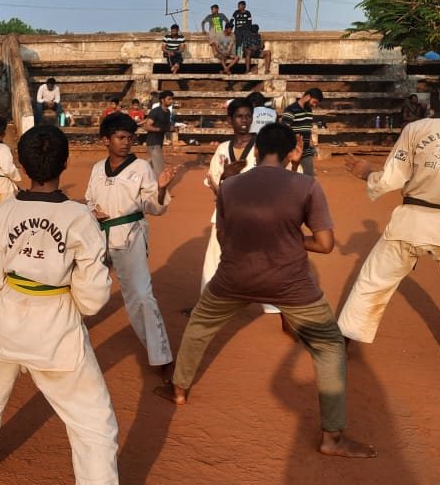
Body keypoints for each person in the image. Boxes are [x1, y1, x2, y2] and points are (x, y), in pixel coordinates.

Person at [157, 123, 378, 459]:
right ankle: (332, 437)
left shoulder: (230, 186)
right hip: (290, 282)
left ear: (257, 151)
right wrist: (291, 240)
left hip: (234, 277)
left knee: (199, 326)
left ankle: (178, 389)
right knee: (330, 346)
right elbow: (325, 244)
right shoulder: (307, 185)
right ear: (292, 152)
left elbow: (224, 237)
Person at [0, 123, 119, 484]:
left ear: (22, 165)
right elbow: (93, 299)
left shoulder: (6, 211)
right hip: (56, 330)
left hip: (8, 321)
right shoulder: (80, 218)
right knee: (94, 423)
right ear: (65, 163)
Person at [339, 65, 440, 401]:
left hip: (410, 220)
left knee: (371, 284)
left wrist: (367, 173)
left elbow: (391, 178)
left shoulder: (417, 129)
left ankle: (338, 351)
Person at [86, 113, 178, 382]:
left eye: (130, 137)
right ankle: (63, 341)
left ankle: (161, 355)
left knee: (140, 295)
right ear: (106, 140)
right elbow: (90, 199)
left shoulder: (141, 168)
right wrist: (93, 211)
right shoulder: (97, 168)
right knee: (80, 286)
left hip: (130, 234)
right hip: (99, 235)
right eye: (120, 137)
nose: (126, 142)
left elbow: (154, 207)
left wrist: (160, 189)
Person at [200, 99, 281, 315]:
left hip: (256, 215)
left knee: (264, 260)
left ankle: (277, 306)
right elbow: (214, 184)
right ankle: (207, 303)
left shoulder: (262, 148)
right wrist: (226, 178)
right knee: (215, 259)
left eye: (247, 116)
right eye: (239, 116)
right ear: (230, 120)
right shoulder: (222, 149)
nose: (244, 121)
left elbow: (273, 181)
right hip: (226, 214)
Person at [282, 88, 324, 177]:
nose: (314, 105)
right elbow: (284, 130)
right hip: (292, 151)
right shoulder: (290, 109)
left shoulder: (309, 110)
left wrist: (312, 147)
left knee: (309, 178)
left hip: (306, 152)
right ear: (307, 96)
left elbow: (307, 129)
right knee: (288, 177)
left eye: (316, 104)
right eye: (314, 102)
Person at [142, 91, 175, 176]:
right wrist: (161, 129)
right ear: (162, 100)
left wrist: (171, 128)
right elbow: (147, 126)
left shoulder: (167, 112)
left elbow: (165, 127)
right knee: (158, 168)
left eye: (172, 99)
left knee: (149, 167)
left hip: (158, 142)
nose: (171, 101)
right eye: (169, 99)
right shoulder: (156, 111)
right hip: (153, 142)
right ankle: (157, 185)